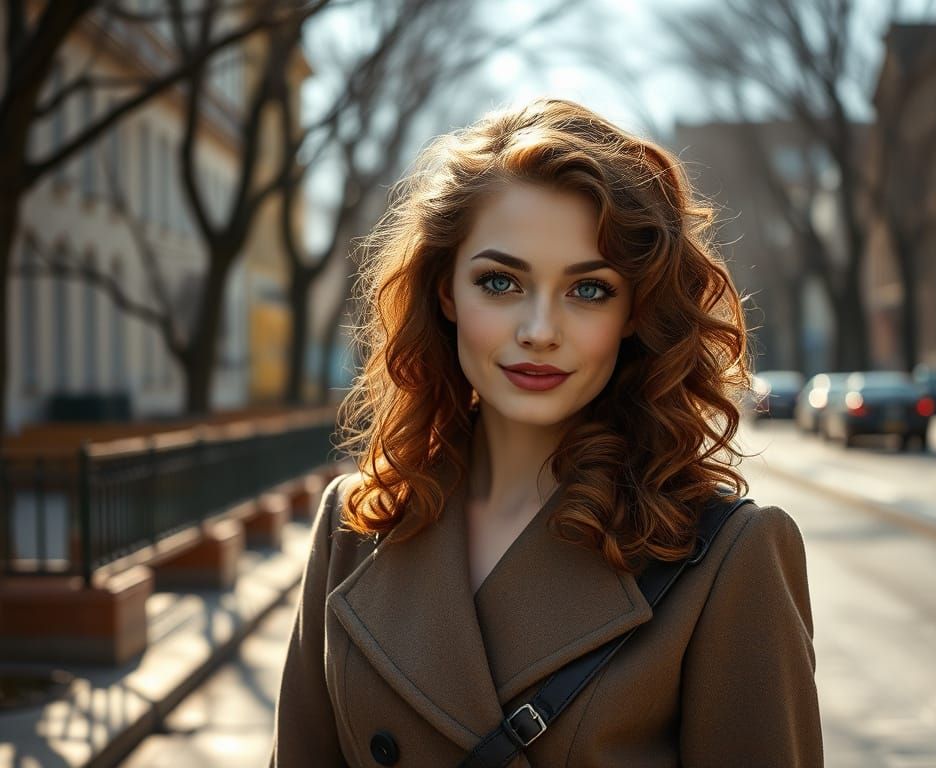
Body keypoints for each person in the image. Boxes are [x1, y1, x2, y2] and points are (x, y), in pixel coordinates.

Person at [270, 98, 823, 767]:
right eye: (499, 281)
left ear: (634, 312)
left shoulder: (727, 557)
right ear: (446, 291)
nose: (538, 330)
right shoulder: (356, 525)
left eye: (588, 290)